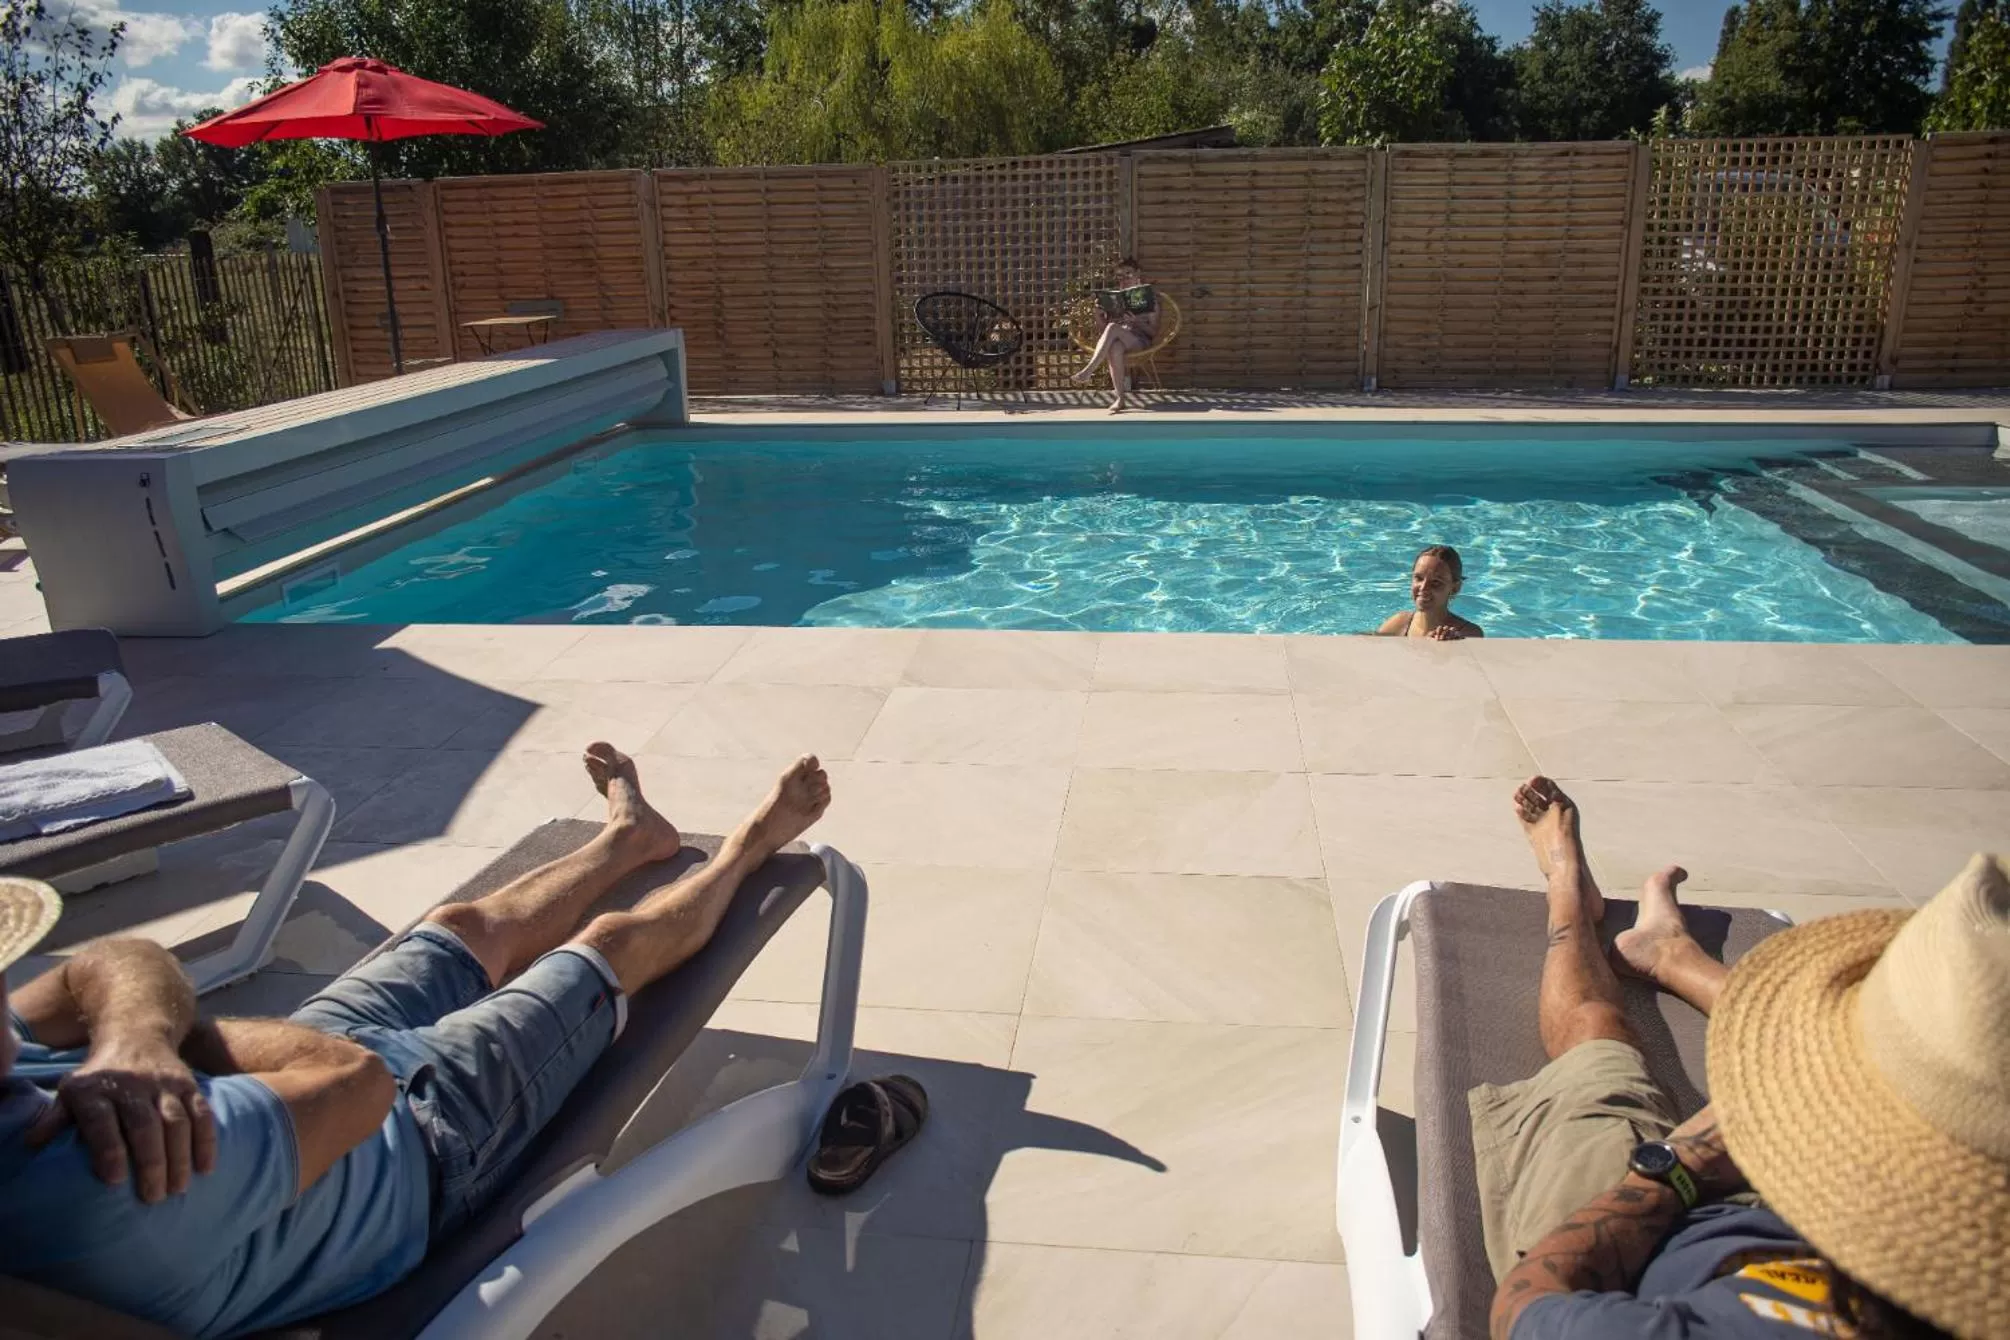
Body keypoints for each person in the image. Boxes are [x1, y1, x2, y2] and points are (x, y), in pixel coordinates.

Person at [0, 744, 832, 1339]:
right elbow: (356, 1085)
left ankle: (628, 840)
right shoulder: (88, 1184)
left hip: (289, 1082)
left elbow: (106, 965)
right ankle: (748, 849)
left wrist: (138, 1037)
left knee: (460, 929)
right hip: (418, 1140)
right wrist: (168, 1032)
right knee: (606, 949)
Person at [1482, 775, 2002, 1340]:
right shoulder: (1971, 1248)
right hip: (1860, 1191)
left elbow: (1528, 1305)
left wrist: (1680, 1166)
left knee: (1595, 1034)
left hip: (1637, 1239)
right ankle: (1670, 954)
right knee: (1884, 1054)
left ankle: (1567, 895)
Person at [1070, 258, 1160, 413]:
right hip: (1118, 339)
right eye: (1120, 276)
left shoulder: (1150, 299)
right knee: (1115, 347)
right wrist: (1098, 315)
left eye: (1128, 274)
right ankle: (1120, 399)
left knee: (1113, 327)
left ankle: (1090, 370)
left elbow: (1153, 332)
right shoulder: (1114, 298)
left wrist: (1136, 321)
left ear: (1137, 274)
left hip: (1139, 342)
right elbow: (1104, 331)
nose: (1124, 279)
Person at [1376, 544, 1483, 640]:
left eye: (1436, 582)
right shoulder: (1399, 623)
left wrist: (1455, 646)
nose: (1423, 587)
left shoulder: (1468, 633)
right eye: (1418, 578)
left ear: (1455, 588)